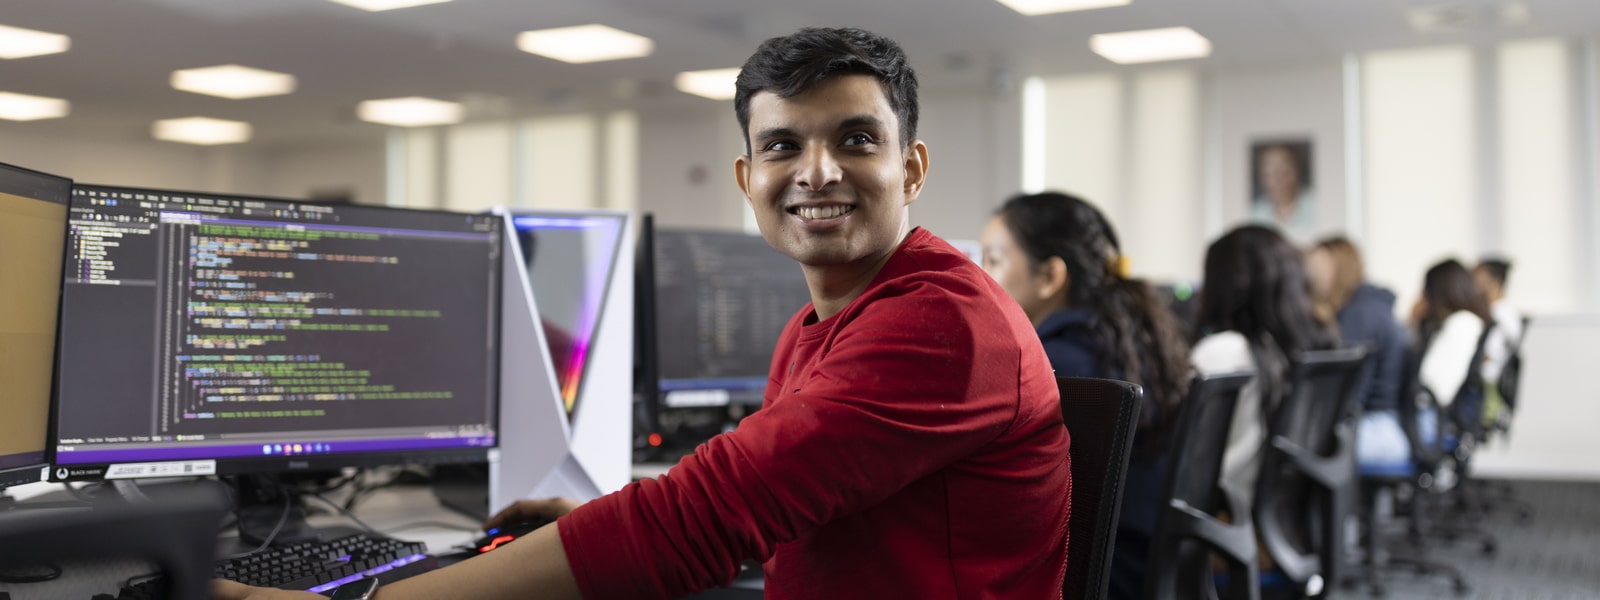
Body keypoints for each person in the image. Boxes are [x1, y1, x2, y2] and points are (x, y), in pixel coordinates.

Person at [215, 27, 1071, 600]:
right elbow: (772, 509)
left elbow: (703, 521)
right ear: (748, 181)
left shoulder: (941, 323)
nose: (816, 171)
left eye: (855, 139)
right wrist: (596, 520)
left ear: (912, 170)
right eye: (781, 145)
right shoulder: (828, 322)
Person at [978, 191, 1189, 600]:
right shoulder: (1129, 343)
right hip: (1148, 566)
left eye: (994, 260)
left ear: (1050, 277)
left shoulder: (1057, 369)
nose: (982, 277)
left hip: (1102, 578)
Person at [1190, 225, 1336, 508]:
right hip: (1283, 515)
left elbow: (1183, 458)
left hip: (1224, 515)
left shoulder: (1222, 353)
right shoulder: (1308, 348)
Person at [1305, 236, 1408, 462]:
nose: (1308, 276)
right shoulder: (1369, 306)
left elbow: (1350, 394)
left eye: (1317, 267)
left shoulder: (1358, 315)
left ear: (1338, 267)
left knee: (1293, 444)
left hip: (1376, 427)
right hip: (1384, 424)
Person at [1411, 259, 1494, 427]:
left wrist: (1412, 322)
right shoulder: (1460, 323)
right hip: (1432, 413)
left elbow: (1433, 388)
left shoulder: (1462, 325)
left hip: (1431, 418)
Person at [1250, 143, 1315, 240]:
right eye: (1271, 171)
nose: (1279, 178)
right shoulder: (1255, 213)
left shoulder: (1315, 203)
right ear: (1261, 176)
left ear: (1297, 169)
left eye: (1285, 169)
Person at [1473, 258, 1522, 383]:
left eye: (1478, 277)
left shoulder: (1505, 315)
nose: (1473, 282)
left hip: (1490, 383)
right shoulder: (1485, 311)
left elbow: (1496, 354)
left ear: (1496, 281)